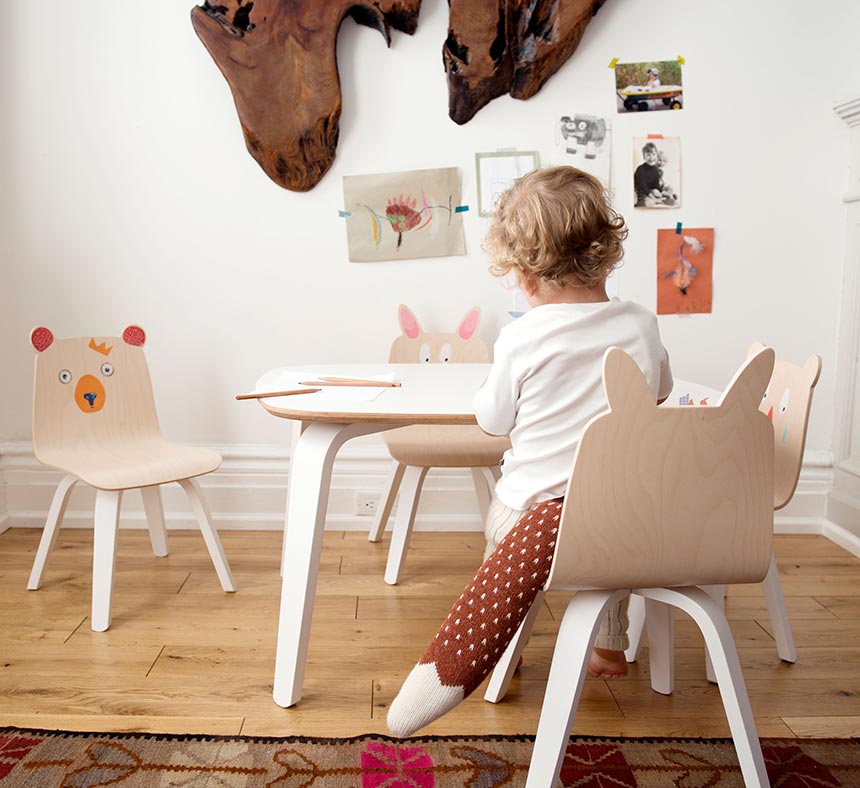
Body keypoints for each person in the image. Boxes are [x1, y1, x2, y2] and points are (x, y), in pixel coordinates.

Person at [387, 166, 673, 738]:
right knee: (605, 550)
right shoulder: (641, 323)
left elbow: (493, 421)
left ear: (523, 275)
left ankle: (503, 642)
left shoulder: (522, 336)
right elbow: (659, 391)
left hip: (530, 516)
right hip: (621, 520)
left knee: (512, 524)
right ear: (607, 252)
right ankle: (609, 649)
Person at [634, 141, 664, 206]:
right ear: (644, 157)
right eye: (648, 155)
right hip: (640, 192)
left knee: (656, 192)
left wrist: (659, 192)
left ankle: (662, 199)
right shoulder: (640, 169)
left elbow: (656, 185)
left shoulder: (656, 170)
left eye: (653, 154)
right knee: (647, 202)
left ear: (656, 155)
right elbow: (643, 187)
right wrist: (653, 197)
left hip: (649, 191)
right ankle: (651, 201)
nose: (651, 158)